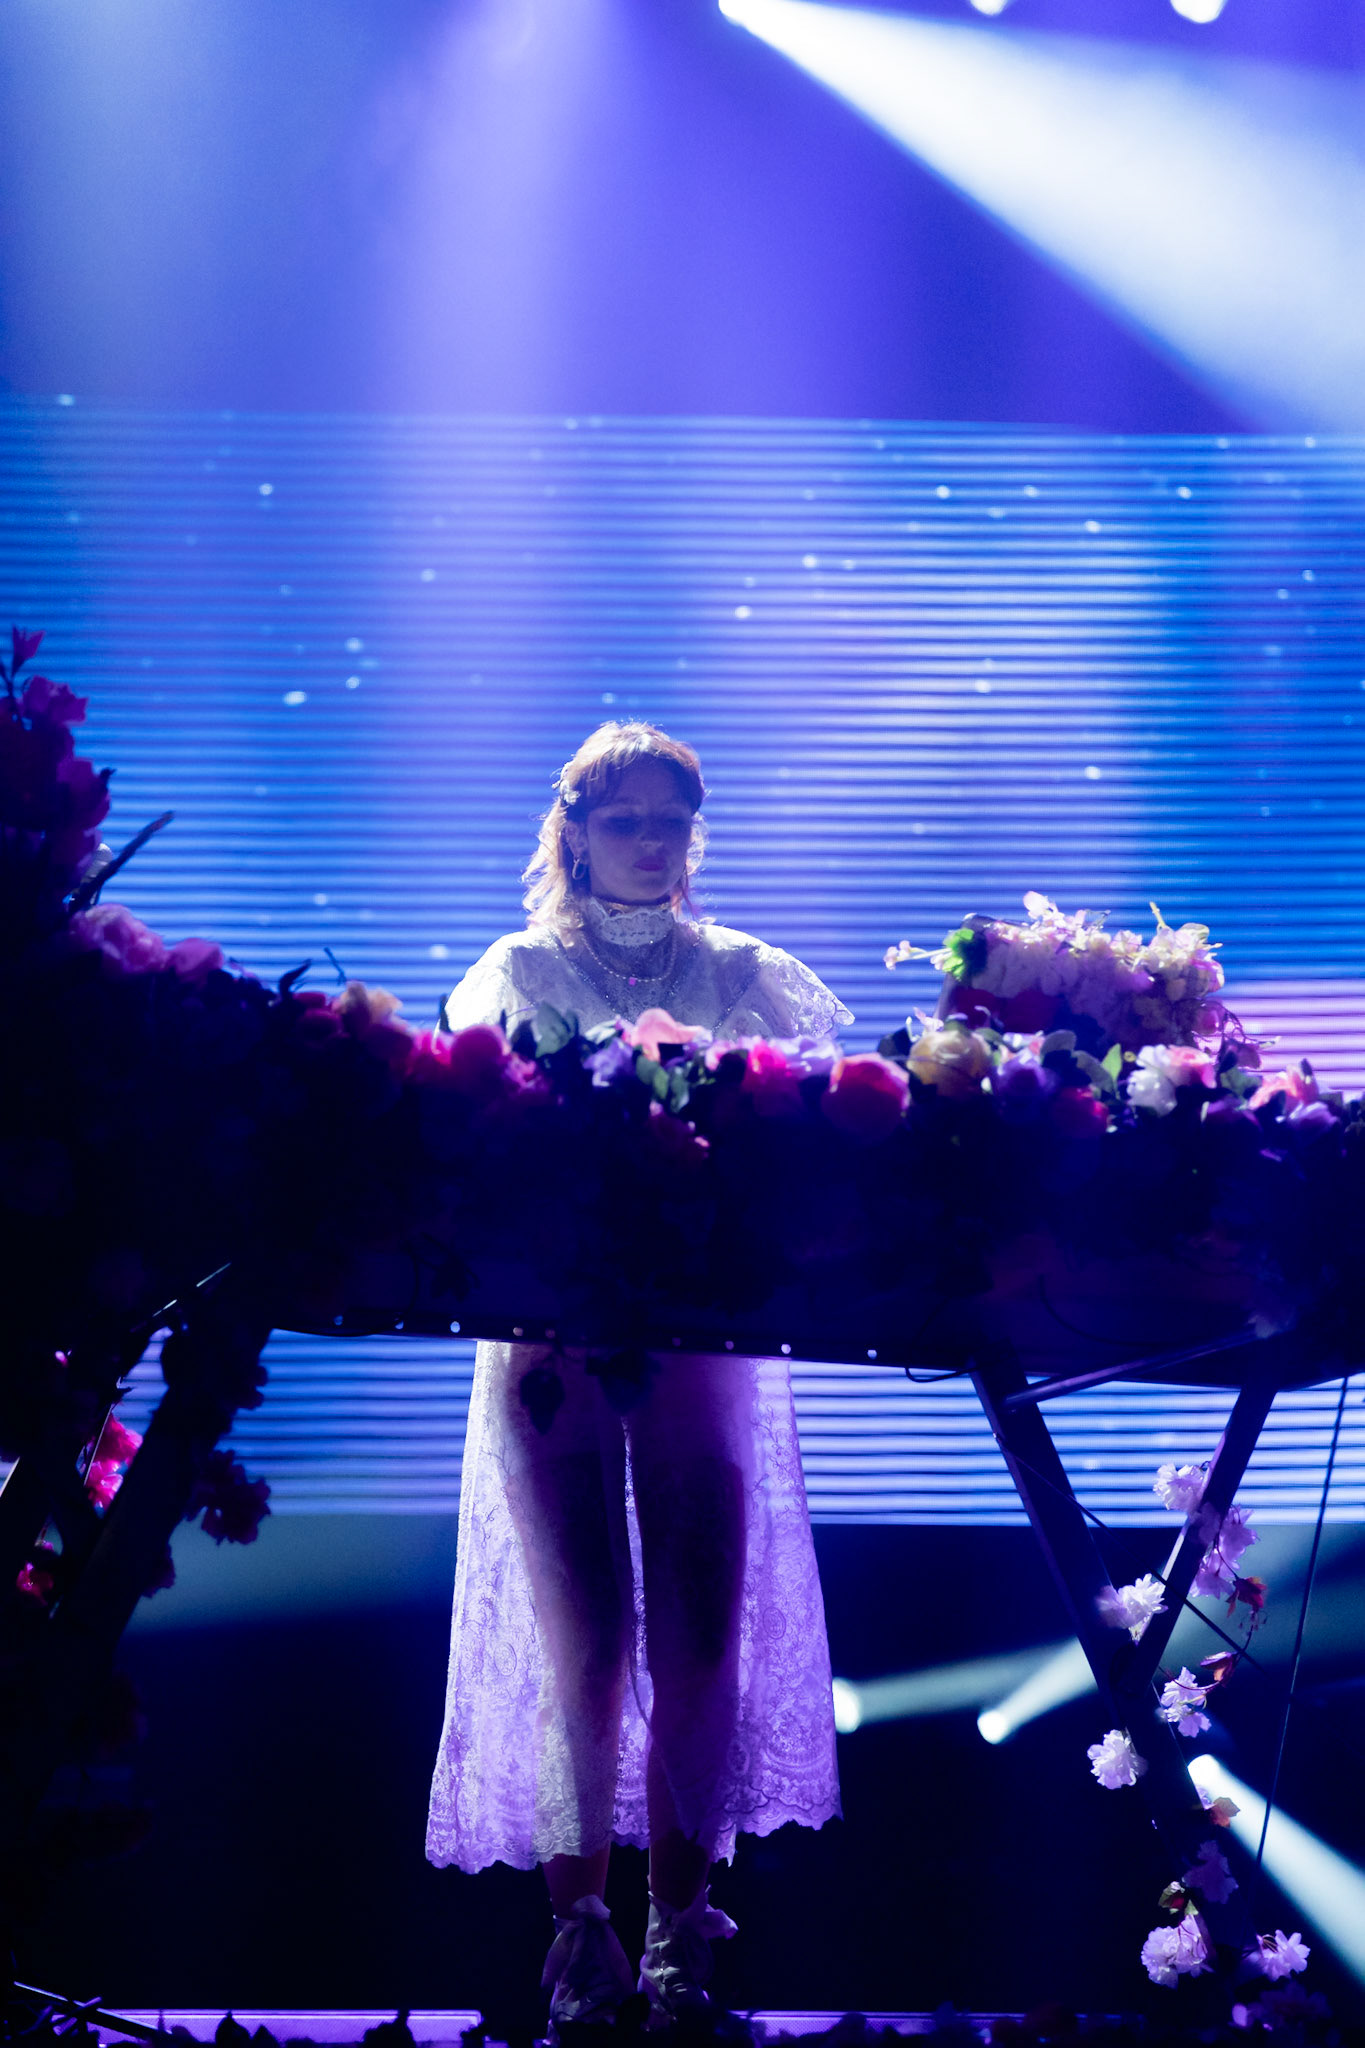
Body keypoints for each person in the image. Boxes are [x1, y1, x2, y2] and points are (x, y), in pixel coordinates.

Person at [426, 722, 848, 2035]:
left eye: (673, 819)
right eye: (627, 821)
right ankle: (579, 1945)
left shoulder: (744, 971)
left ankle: (680, 1942)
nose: (652, 843)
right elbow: (476, 1139)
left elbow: (827, 1118)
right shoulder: (513, 971)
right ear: (573, 832)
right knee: (584, 1646)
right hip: (549, 1336)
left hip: (699, 1340)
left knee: (700, 1639)